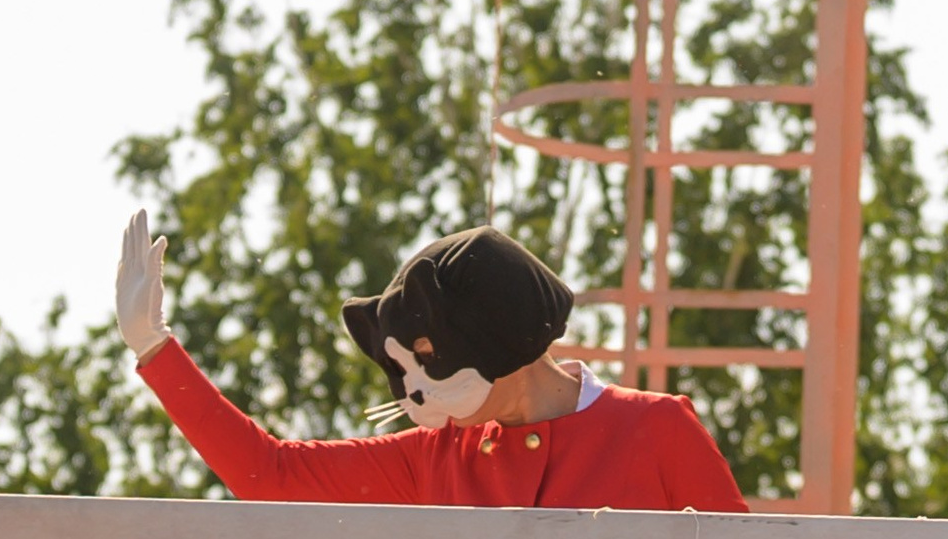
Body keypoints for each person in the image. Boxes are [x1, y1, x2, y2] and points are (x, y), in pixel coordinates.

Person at [114, 210, 749, 516]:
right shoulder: (437, 459)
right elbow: (268, 474)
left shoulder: (656, 430)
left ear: (498, 335)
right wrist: (155, 348)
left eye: (426, 360)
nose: (414, 395)